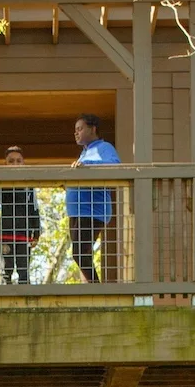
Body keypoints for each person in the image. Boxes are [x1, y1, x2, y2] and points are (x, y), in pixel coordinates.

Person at [65, 114, 120, 283]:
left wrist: (87, 167)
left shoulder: (104, 147)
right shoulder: (84, 153)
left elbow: (115, 165)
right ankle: (92, 286)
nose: (76, 133)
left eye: (80, 129)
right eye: (75, 130)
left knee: (80, 253)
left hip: (91, 211)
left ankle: (95, 288)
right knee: (81, 253)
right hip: (77, 212)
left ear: (93, 129)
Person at [0, 146, 41, 284]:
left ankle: (25, 303)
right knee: (5, 272)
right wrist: (9, 181)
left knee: (24, 271)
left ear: (23, 163)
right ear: (5, 164)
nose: (15, 164)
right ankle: (4, 302)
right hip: (6, 235)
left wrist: (36, 233)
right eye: (11, 161)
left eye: (18, 161)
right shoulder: (2, 183)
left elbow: (35, 209)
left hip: (24, 235)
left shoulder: (29, 186)